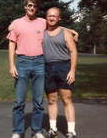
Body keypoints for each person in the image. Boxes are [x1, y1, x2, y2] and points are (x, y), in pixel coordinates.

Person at [7, 0, 78, 138]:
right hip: (22, 62)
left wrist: (70, 30)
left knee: (39, 101)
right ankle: (17, 131)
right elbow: (11, 44)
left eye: (34, 6)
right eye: (29, 5)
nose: (31, 8)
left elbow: (55, 23)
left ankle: (37, 131)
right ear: (25, 7)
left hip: (40, 63)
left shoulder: (41, 21)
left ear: (37, 8)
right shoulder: (16, 23)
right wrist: (11, 65)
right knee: (19, 101)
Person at [43, 7, 78, 138]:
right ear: (46, 17)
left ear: (59, 18)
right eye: (49, 16)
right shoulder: (42, 30)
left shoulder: (65, 32)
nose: (52, 18)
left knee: (66, 99)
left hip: (64, 67)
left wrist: (72, 70)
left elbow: (73, 52)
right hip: (47, 68)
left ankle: (71, 131)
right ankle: (52, 129)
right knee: (51, 100)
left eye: (55, 16)